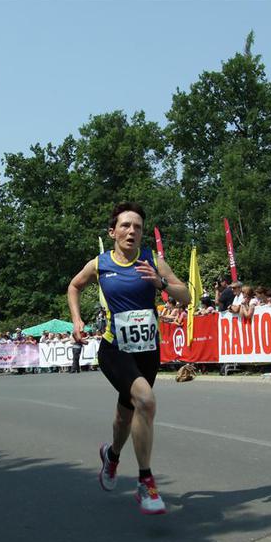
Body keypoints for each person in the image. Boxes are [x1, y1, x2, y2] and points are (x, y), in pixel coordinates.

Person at [67, 202, 189, 515]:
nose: (132, 231)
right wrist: (77, 320)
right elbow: (74, 286)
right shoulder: (100, 264)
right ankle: (146, 482)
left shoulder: (152, 260)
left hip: (147, 351)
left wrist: (161, 284)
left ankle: (112, 456)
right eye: (125, 225)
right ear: (113, 232)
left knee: (127, 413)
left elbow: (186, 295)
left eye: (137, 227)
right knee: (145, 401)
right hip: (115, 349)